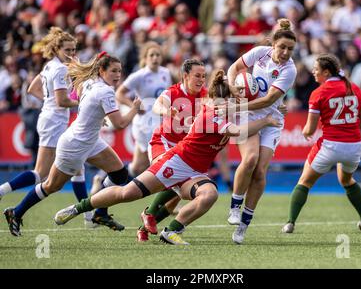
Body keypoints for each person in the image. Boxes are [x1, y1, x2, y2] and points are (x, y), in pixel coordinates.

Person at [53, 70, 281, 245]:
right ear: (223, 100)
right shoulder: (212, 114)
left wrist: (266, 107)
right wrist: (267, 121)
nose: (238, 103)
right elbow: (238, 132)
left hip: (195, 172)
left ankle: (171, 231)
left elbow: (244, 121)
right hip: (176, 162)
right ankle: (78, 208)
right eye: (234, 99)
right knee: (127, 193)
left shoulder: (227, 111)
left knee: (209, 194)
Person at [3, 52, 141, 237]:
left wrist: (96, 118)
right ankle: (16, 212)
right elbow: (120, 124)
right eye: (113, 71)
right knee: (50, 185)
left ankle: (100, 213)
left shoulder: (89, 82)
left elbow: (83, 102)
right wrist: (134, 109)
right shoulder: (105, 91)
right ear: (101, 70)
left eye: (120, 71)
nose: (118, 75)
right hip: (75, 145)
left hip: (89, 140)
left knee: (119, 173)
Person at [0, 27, 93, 227]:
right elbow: (61, 101)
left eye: (73, 49)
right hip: (54, 122)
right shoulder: (59, 69)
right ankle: (3, 192)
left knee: (78, 167)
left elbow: (32, 88)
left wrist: (48, 101)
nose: (71, 54)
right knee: (40, 173)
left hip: (51, 118)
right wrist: (84, 102)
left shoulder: (50, 66)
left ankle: (88, 217)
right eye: (67, 50)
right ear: (57, 49)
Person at [281, 54, 361, 233]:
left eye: (316, 69)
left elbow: (309, 128)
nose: (313, 72)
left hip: (330, 146)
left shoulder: (319, 93)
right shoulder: (355, 88)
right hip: (354, 146)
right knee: (346, 180)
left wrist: (305, 132)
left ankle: (290, 223)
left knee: (304, 182)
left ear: (326, 72)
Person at [226, 18, 297, 244]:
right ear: (273, 44)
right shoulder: (260, 52)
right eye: (282, 47)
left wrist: (237, 105)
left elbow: (268, 100)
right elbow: (235, 68)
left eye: (290, 49)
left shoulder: (290, 69)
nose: (286, 52)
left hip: (272, 119)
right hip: (250, 114)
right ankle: (235, 207)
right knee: (250, 159)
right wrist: (232, 87)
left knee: (260, 172)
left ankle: (243, 226)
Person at [137, 58, 207, 242]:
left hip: (185, 148)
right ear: (185, 76)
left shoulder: (205, 95)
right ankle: (149, 213)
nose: (201, 80)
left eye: (204, 76)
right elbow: (157, 105)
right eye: (197, 76)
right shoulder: (174, 92)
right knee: (173, 180)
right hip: (164, 142)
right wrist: (166, 111)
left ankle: (144, 227)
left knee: (175, 197)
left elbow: (219, 107)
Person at [116, 41, 173, 177]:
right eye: (151, 55)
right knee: (150, 162)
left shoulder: (166, 73)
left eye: (158, 55)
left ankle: (110, 180)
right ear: (145, 58)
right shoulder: (139, 75)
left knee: (140, 166)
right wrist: (134, 107)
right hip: (144, 123)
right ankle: (110, 181)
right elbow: (119, 93)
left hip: (160, 122)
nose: (155, 58)